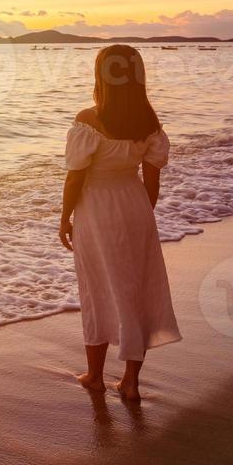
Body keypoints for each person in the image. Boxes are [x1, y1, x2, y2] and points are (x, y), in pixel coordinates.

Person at [58, 45, 181, 402]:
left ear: (101, 77)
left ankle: (95, 376)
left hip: (97, 209)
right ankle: (130, 381)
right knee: (134, 290)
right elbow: (152, 179)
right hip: (135, 206)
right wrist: (143, 214)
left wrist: (65, 217)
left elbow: (74, 178)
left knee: (96, 288)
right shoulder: (149, 123)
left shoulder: (89, 119)